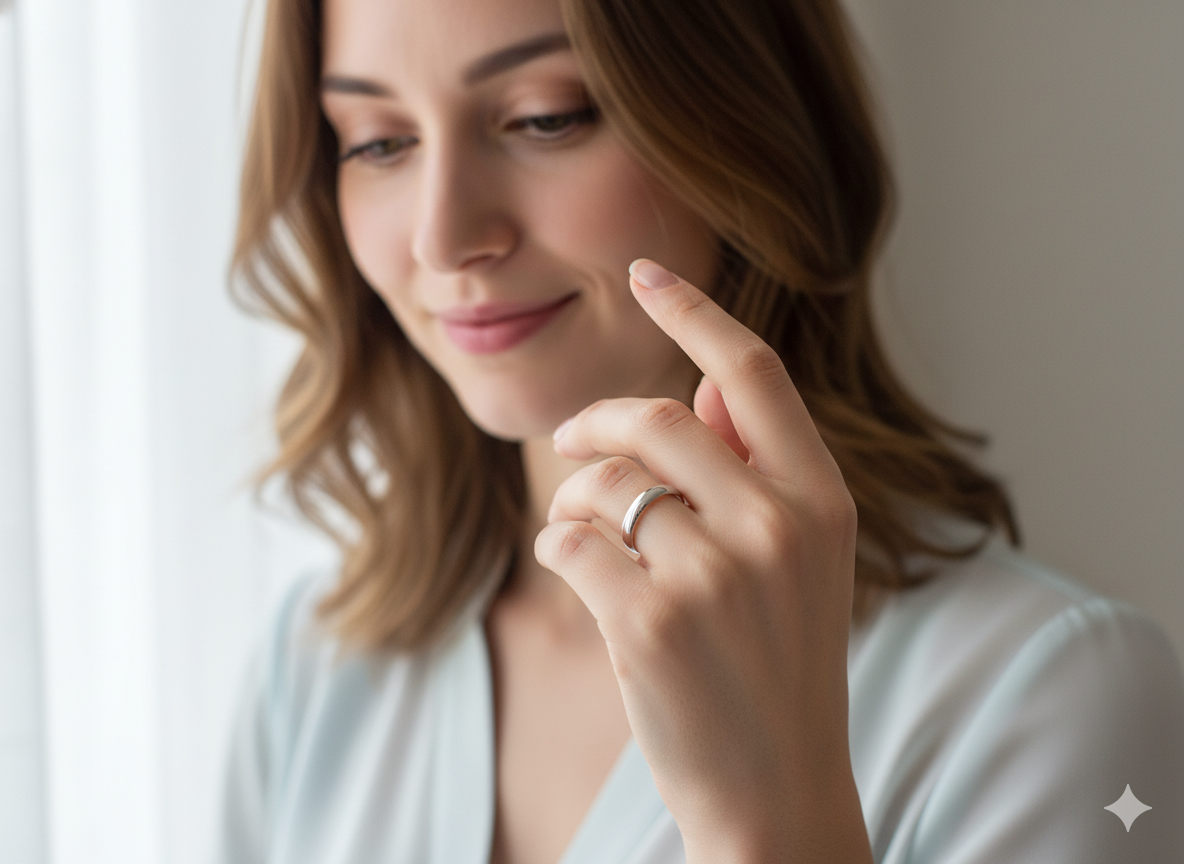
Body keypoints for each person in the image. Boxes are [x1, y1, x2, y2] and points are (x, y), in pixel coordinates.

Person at [220, 0, 1184, 861]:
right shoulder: (314, 667)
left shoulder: (1055, 693)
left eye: (544, 117)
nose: (443, 236)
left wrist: (766, 820)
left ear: (739, 117)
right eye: (379, 141)